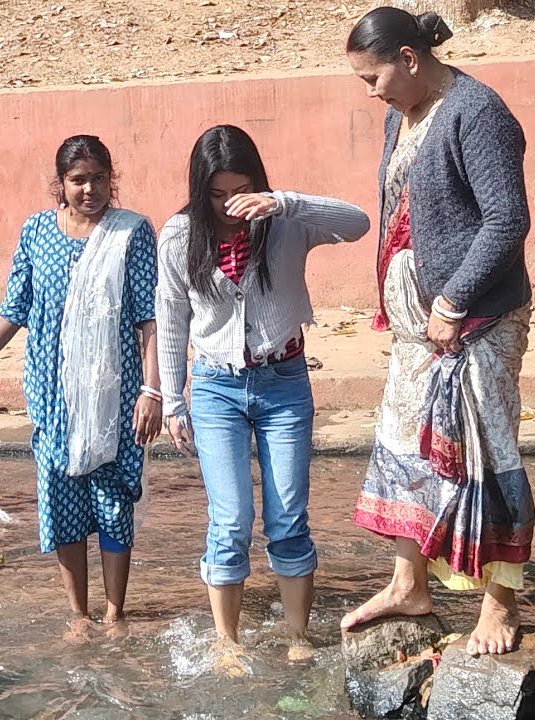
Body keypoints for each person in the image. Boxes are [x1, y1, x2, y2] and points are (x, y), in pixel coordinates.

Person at [341, 8, 535, 657]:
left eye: (374, 78)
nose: (372, 93)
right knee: (405, 444)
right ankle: (409, 584)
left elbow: (507, 221)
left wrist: (452, 301)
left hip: (476, 322)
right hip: (417, 331)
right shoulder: (402, 113)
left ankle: (500, 604)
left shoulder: (478, 113)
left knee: (486, 455)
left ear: (409, 58)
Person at [156, 125, 371, 665]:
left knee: (288, 517)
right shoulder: (179, 236)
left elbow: (358, 223)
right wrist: (173, 401)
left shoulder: (286, 222)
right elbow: (172, 317)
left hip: (284, 383)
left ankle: (298, 638)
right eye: (217, 193)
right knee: (230, 519)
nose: (231, 204)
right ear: (200, 189)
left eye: (241, 190)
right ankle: (226, 644)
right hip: (215, 387)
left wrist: (284, 202)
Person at [0, 135, 160, 636]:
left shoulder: (131, 233)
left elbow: (149, 317)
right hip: (52, 394)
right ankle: (79, 616)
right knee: (62, 501)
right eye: (78, 180)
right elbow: (13, 309)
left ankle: (115, 613)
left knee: (113, 500)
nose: (90, 189)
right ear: (60, 184)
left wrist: (152, 391)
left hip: (114, 395)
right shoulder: (37, 231)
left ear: (112, 179)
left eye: (99, 178)